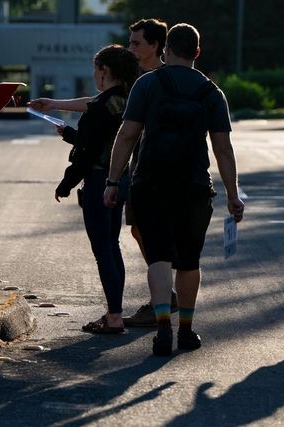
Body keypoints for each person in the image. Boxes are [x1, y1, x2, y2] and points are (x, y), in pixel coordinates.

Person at [104, 23, 244, 355]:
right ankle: (187, 330)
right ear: (197, 52)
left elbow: (127, 135)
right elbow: (223, 149)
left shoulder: (147, 84)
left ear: (166, 50)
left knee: (159, 258)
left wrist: (113, 181)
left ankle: (163, 326)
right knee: (189, 261)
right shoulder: (212, 93)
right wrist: (233, 195)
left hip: (150, 184)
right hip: (194, 187)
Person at [29, 18, 179, 327]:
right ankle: (138, 305)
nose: (131, 48)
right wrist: (59, 110)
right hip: (123, 176)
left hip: (120, 176)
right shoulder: (129, 93)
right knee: (118, 243)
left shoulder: (152, 83)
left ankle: (121, 313)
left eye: (136, 43)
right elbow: (99, 117)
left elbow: (92, 141)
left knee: (109, 249)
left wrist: (67, 183)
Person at [52, 44, 139, 334]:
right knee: (112, 246)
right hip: (121, 178)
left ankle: (114, 317)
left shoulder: (101, 107)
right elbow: (102, 139)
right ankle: (115, 310)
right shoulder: (127, 100)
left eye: (96, 69)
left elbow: (87, 152)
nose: (94, 75)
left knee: (103, 249)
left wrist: (65, 184)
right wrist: (69, 132)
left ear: (104, 71)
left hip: (99, 182)